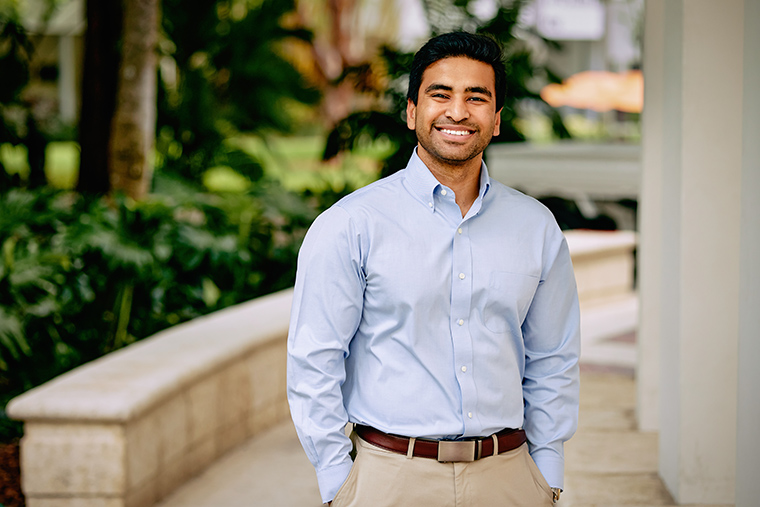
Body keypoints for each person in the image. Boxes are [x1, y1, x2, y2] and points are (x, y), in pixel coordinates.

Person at [287, 31, 580, 507]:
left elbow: (553, 359)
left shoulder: (536, 227)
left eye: (477, 97)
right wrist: (340, 480)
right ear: (411, 112)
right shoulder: (351, 224)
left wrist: (546, 474)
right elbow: (314, 360)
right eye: (440, 94)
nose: (458, 112)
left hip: (509, 477)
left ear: (497, 119)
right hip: (389, 478)